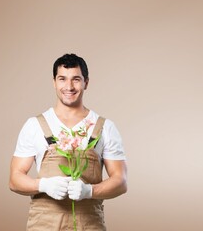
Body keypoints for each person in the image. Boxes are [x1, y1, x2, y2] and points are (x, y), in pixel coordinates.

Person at [9, 53, 127, 230]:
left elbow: (121, 181)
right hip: (44, 225)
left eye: (76, 79)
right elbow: (14, 179)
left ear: (86, 82)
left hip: (89, 224)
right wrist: (43, 185)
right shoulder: (34, 125)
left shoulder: (105, 127)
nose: (69, 86)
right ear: (54, 82)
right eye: (62, 79)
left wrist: (89, 191)